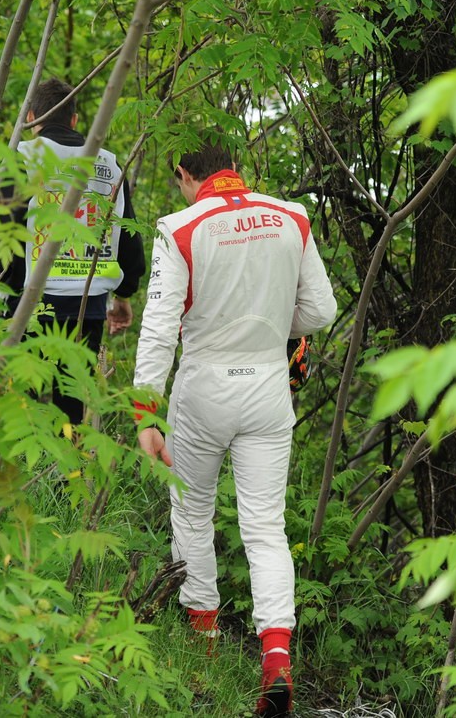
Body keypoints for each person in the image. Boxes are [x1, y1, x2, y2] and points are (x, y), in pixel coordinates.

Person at [132, 139, 337, 717]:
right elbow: (321, 310)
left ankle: (203, 654)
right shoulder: (291, 217)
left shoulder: (180, 227)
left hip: (203, 389)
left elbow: (157, 327)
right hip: (268, 388)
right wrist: (272, 328)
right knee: (266, 528)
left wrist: (146, 413)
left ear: (184, 174)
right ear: (235, 170)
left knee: (192, 513)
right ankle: (276, 660)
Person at [0, 78, 145, 425]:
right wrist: (125, 294)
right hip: (88, 307)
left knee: (19, 412)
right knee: (70, 412)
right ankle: (64, 477)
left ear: (32, 116)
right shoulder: (108, 165)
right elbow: (127, 235)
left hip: (27, 305)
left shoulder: (23, 157)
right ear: (74, 119)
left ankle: (23, 474)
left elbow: (2, 232)